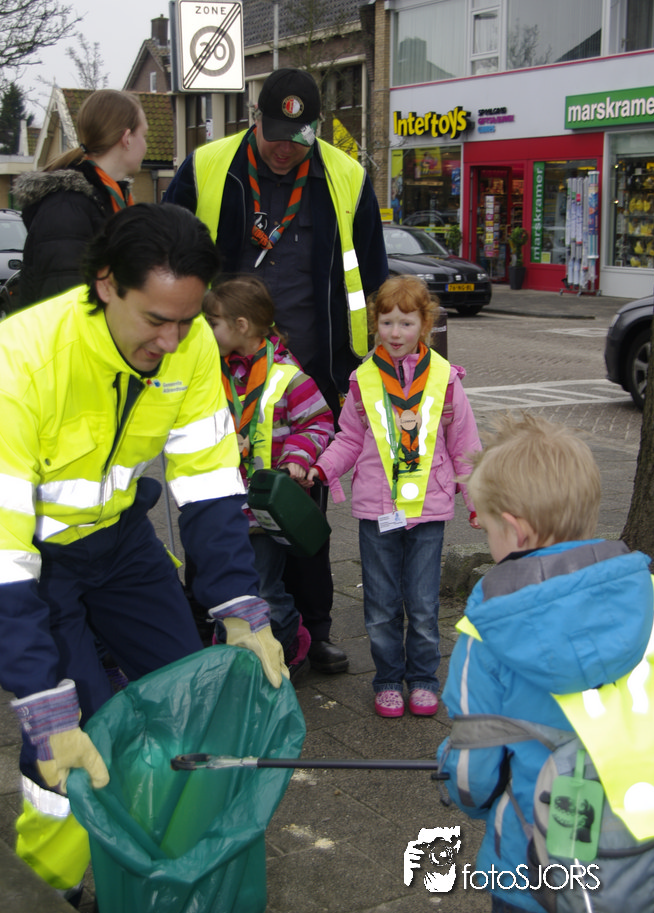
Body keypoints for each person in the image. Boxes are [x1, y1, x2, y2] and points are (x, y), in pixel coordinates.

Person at [0, 203, 285, 901]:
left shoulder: (190, 345)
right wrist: (41, 701)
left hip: (118, 536)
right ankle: (49, 892)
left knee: (189, 689)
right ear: (105, 284)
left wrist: (239, 604)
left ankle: (171, 856)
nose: (172, 340)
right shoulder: (16, 362)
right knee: (76, 729)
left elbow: (209, 480)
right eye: (156, 319)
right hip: (33, 549)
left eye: (187, 321)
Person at [437, 412, 654, 913]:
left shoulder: (484, 635)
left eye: (485, 526)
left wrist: (460, 787)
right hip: (644, 863)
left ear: (516, 530)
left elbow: (471, 777)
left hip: (533, 876)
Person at [164, 67, 389, 674]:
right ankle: (207, 621)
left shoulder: (345, 176)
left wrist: (374, 359)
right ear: (255, 119)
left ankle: (313, 627)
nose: (285, 148)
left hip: (309, 375)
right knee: (214, 500)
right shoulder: (208, 167)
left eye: (299, 136)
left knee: (302, 508)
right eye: (275, 134)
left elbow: (372, 273)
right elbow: (165, 255)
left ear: (315, 129)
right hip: (219, 372)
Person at [308, 276, 481, 717]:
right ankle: (387, 679)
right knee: (381, 606)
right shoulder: (363, 380)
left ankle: (422, 678)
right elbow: (349, 438)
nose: (396, 332)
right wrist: (323, 467)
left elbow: (464, 445)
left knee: (422, 606)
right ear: (375, 324)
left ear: (425, 324)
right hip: (377, 510)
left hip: (429, 509)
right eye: (387, 322)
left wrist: (476, 500)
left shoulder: (445, 378)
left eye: (406, 323)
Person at [204, 275, 334, 680]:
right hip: (223, 506)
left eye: (213, 323)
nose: (207, 332)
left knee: (265, 587)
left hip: (264, 512)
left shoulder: (287, 375)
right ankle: (236, 655)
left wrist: (297, 457)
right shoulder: (214, 373)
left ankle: (289, 639)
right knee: (224, 588)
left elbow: (319, 422)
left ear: (241, 326)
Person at [16, 88, 148, 306]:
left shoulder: (102, 198)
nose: (145, 145)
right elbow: (66, 303)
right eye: (144, 135)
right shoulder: (66, 207)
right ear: (126, 139)